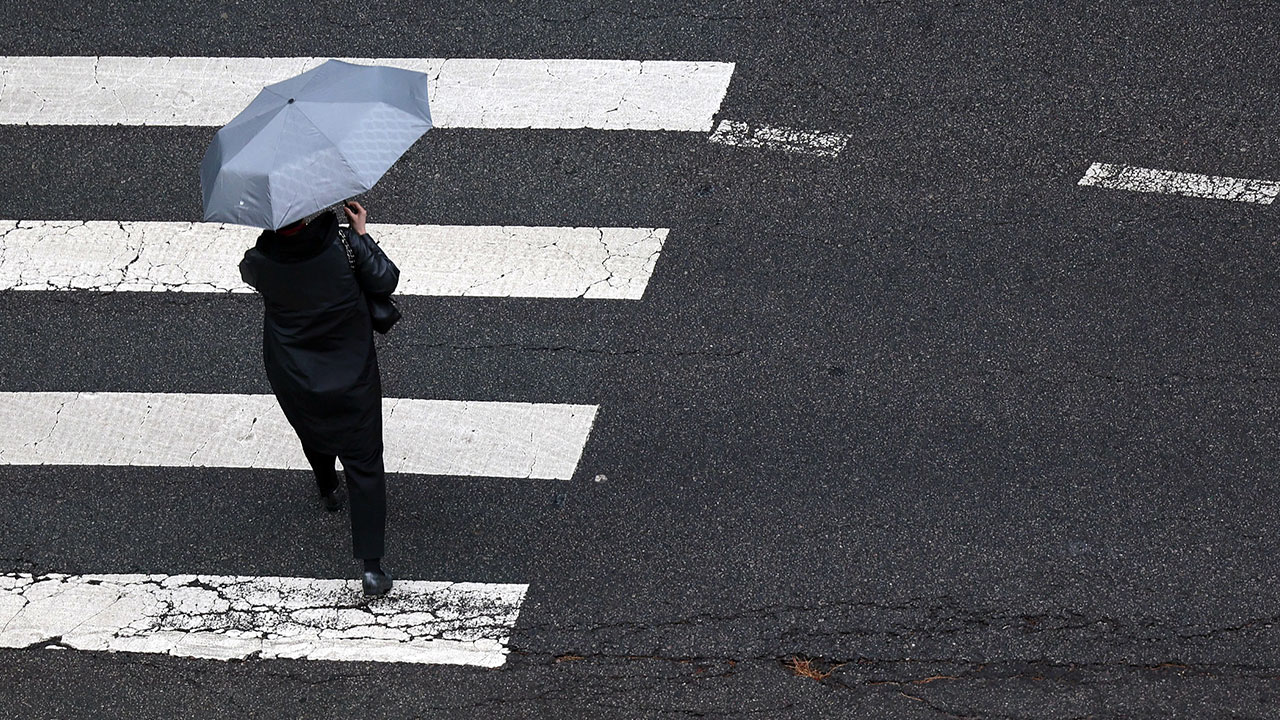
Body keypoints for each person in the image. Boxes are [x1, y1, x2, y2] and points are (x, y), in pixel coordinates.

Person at [238, 201, 397, 597]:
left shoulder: (262, 261)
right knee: (364, 462)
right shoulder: (344, 246)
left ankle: (328, 489)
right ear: (307, 211)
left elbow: (248, 272)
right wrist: (360, 232)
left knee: (313, 429)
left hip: (296, 373)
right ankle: (372, 568)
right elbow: (385, 279)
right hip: (352, 374)